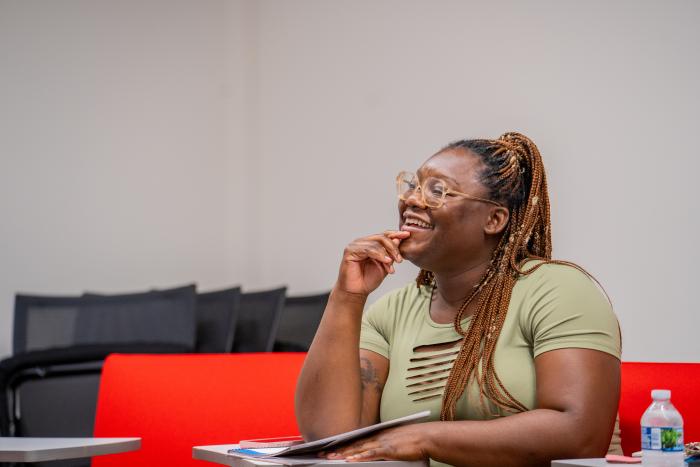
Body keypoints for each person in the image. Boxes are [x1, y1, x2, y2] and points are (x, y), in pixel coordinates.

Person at [295, 132, 621, 467]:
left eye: (437, 191)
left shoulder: (556, 291)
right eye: (413, 186)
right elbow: (329, 435)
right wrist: (347, 297)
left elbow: (580, 434)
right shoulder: (391, 312)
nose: (412, 200)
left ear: (494, 220)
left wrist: (424, 438)